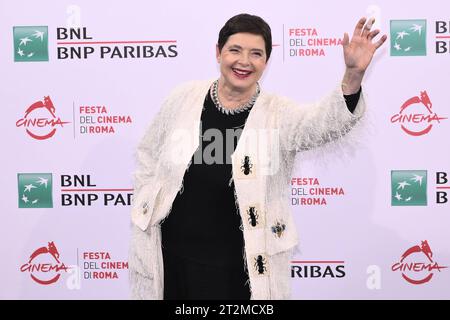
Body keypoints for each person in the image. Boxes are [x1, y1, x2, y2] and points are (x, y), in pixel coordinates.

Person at [129, 13, 386, 300]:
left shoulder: (278, 113)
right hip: (172, 259)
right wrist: (145, 199)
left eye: (256, 54)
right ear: (218, 52)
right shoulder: (183, 98)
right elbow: (149, 153)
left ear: (266, 60)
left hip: (240, 268)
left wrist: (353, 76)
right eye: (235, 50)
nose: (244, 62)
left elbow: (322, 124)